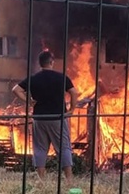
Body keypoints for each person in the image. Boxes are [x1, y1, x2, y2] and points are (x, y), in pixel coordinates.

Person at [12, 50, 80, 183]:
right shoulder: (61, 77)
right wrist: (71, 109)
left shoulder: (34, 78)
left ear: (40, 63)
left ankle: (41, 179)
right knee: (63, 147)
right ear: (51, 62)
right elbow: (74, 93)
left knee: (40, 148)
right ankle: (69, 179)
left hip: (39, 119)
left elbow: (16, 89)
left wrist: (28, 101)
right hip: (57, 118)